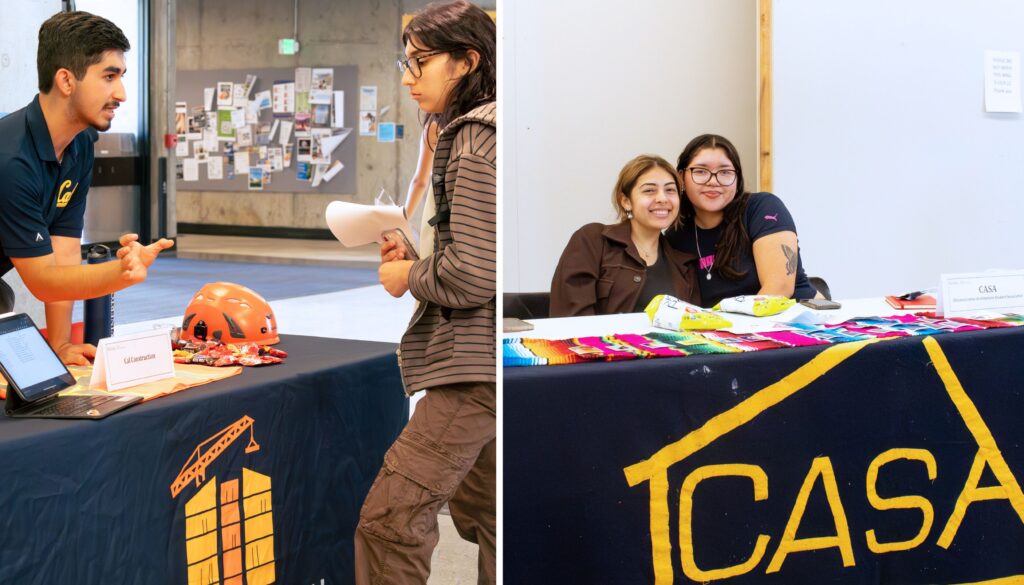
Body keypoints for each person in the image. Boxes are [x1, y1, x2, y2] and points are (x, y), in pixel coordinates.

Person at [357, 1, 496, 584]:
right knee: (492, 516)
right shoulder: (495, 129)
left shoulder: (473, 138)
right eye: (404, 62)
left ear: (467, 61)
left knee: (390, 522)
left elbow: (471, 276)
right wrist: (422, 261)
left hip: (471, 371)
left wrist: (406, 276)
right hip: (497, 360)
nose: (408, 77)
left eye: (420, 62)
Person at [0, 11, 173, 364]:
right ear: (66, 80)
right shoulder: (11, 159)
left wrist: (61, 345)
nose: (121, 94)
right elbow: (44, 283)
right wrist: (120, 272)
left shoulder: (79, 146)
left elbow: (62, 255)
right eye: (109, 77)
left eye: (121, 77)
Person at [665, 133, 819, 308]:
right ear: (681, 177)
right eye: (700, 171)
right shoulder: (676, 237)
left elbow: (779, 289)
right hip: (728, 329)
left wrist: (734, 331)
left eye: (725, 172)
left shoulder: (762, 208)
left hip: (801, 319)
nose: (713, 181)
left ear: (737, 178)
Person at [549, 155, 701, 316]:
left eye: (670, 190)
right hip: (597, 341)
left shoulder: (684, 266)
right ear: (626, 201)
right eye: (649, 190)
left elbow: (693, 329)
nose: (662, 198)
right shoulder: (592, 241)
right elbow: (570, 320)